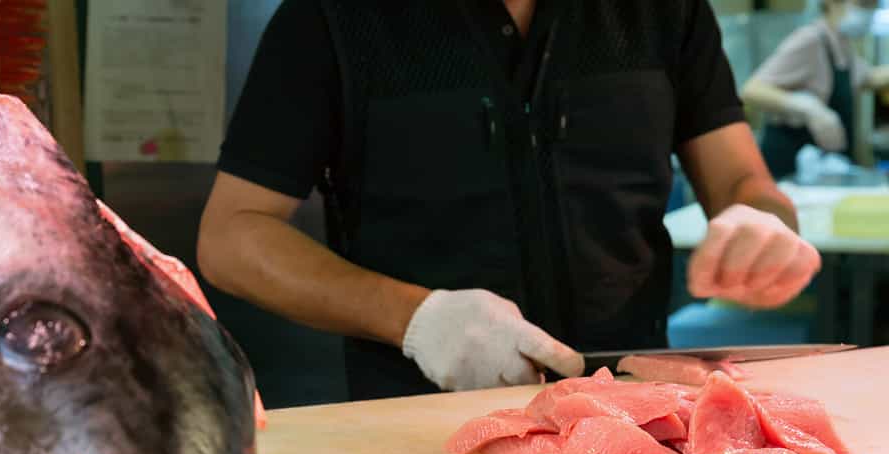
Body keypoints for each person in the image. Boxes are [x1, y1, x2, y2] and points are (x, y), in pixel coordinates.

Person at [198, 0, 821, 401]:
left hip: (641, 412)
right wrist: (417, 318)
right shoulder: (330, 18)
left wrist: (760, 225)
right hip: (419, 426)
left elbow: (744, 183)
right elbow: (233, 235)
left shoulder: (664, 11)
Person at [743, 0, 889, 179]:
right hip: (791, 168)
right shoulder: (809, 40)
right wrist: (809, 107)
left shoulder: (842, 43)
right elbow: (752, 90)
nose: (869, 13)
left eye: (873, 7)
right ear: (831, 3)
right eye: (863, 5)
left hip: (824, 167)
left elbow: (868, 78)